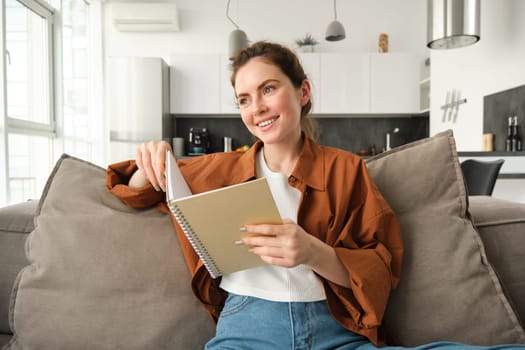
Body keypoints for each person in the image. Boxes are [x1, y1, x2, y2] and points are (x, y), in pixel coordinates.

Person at [106, 41, 525, 349]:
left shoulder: (346, 169)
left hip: (335, 329)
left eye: (269, 89)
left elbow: (381, 268)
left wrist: (313, 251)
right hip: (248, 328)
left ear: (302, 92)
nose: (257, 108)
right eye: (244, 100)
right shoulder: (220, 169)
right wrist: (150, 159)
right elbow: (135, 190)